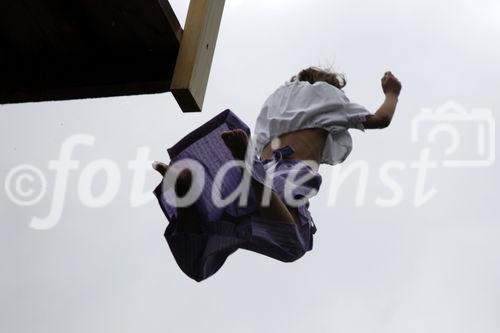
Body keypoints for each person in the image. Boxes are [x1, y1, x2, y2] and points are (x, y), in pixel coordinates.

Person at [152, 67, 402, 282]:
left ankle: (187, 196)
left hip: (258, 172)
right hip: (284, 175)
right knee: (294, 244)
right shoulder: (328, 97)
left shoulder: (275, 102)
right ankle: (246, 170)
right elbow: (381, 119)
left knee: (199, 257)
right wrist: (393, 92)